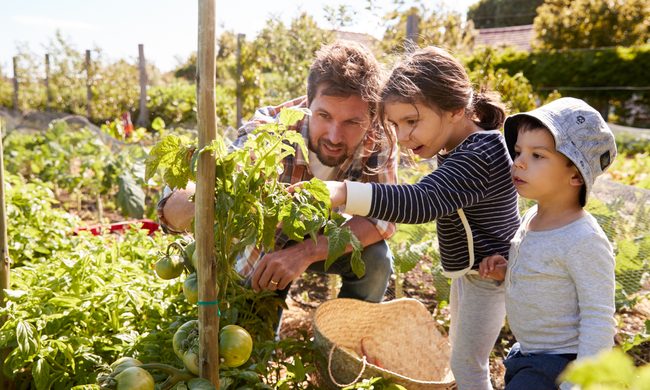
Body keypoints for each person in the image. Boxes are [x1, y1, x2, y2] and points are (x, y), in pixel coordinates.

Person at [311, 46, 521, 389]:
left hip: (489, 276)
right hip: (476, 274)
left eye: (412, 121)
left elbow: (421, 201)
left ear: (454, 109)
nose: (403, 136)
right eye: (395, 124)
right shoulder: (464, 147)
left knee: (468, 364)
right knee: (465, 357)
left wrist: (342, 192)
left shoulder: (479, 154)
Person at [158, 40, 398, 308]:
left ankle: (344, 342)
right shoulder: (271, 130)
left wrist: (305, 252)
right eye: (324, 115)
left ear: (371, 115)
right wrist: (189, 201)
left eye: (352, 122)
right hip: (266, 245)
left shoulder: (379, 137)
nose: (334, 136)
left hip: (323, 236)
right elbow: (216, 182)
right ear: (308, 102)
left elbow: (383, 218)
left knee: (376, 259)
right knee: (251, 334)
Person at [479, 97, 617, 390]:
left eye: (538, 155)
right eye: (518, 151)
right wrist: (509, 271)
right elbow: (545, 273)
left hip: (560, 363)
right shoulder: (531, 216)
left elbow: (598, 318)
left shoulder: (583, 240)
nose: (519, 162)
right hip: (527, 353)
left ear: (575, 174)